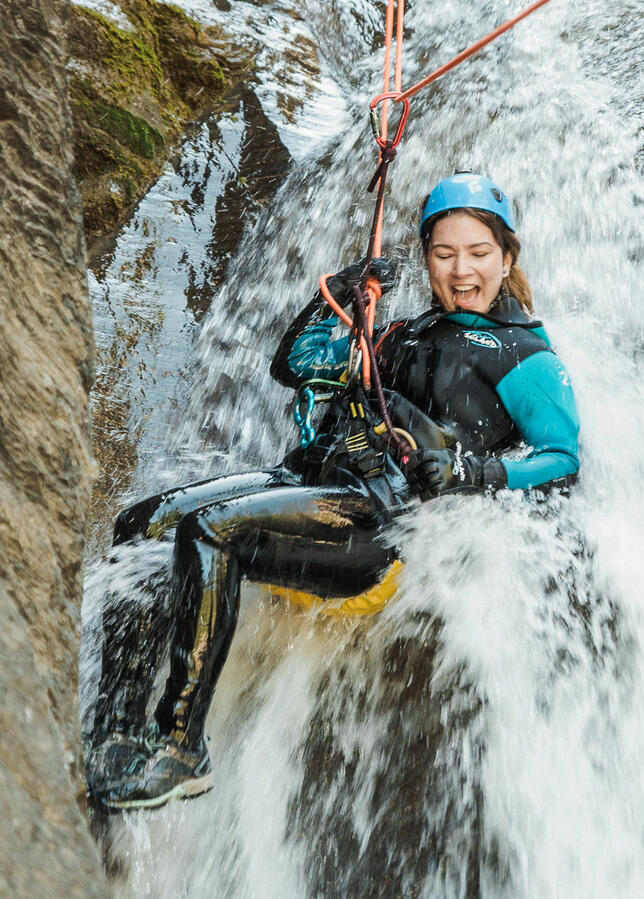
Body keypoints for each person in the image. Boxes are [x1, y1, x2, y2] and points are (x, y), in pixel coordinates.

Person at [86, 173, 580, 810]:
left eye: (479, 254)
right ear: (426, 256)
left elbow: (563, 460)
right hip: (311, 478)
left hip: (377, 521)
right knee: (141, 524)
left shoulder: (523, 353)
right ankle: (114, 733)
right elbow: (293, 365)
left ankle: (180, 745)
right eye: (444, 253)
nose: (462, 271)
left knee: (211, 531)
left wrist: (473, 474)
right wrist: (338, 296)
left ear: (507, 258)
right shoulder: (401, 333)